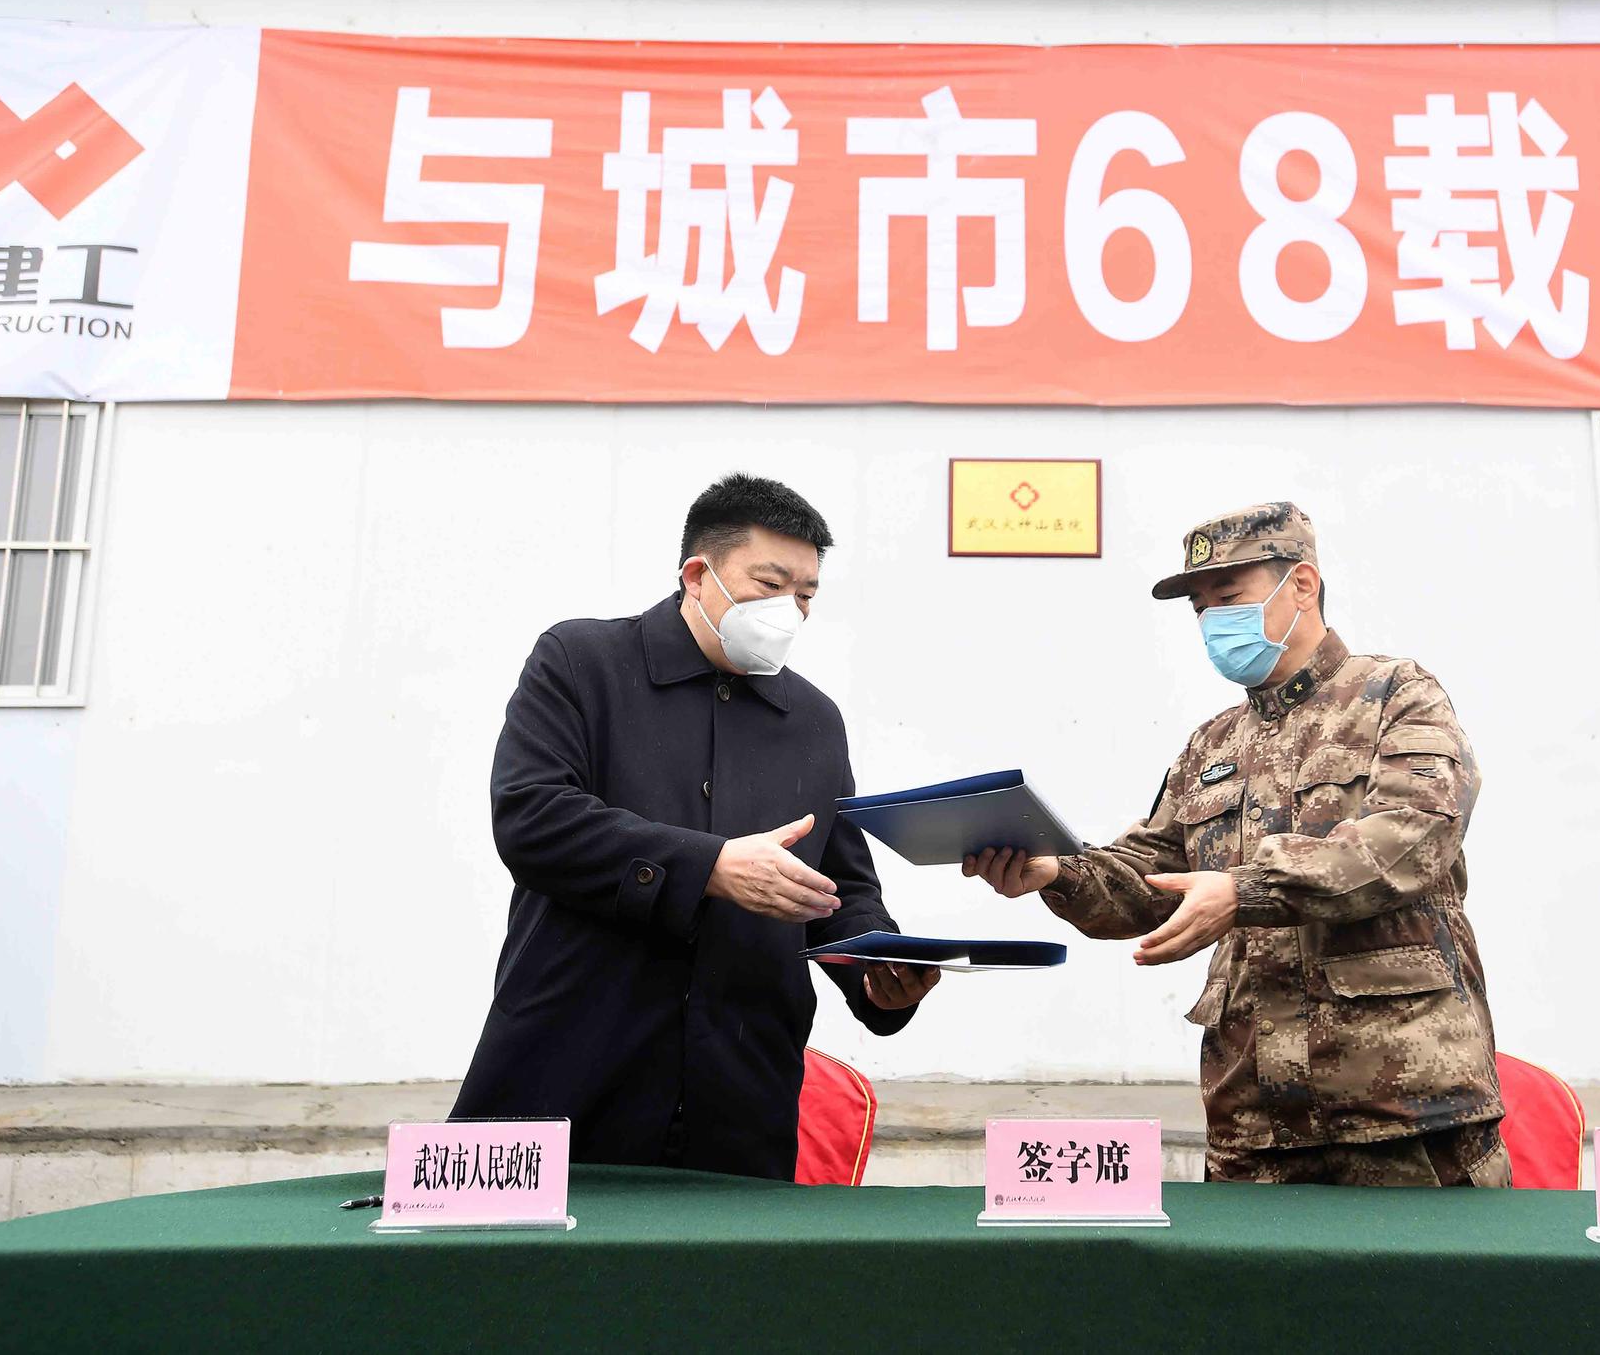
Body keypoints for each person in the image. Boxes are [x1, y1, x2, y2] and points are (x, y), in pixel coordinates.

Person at [965, 502, 1507, 1187]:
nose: (1213, 620)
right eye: (1200, 606)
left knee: (1424, 1295)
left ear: (1302, 585)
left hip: (1402, 1112)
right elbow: (1148, 875)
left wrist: (1245, 888)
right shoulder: (1213, 745)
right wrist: (1055, 872)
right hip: (1256, 1124)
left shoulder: (1396, 695)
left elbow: (1411, 837)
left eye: (1229, 596)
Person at [452, 473, 938, 1181]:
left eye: (806, 595)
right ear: (697, 574)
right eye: (770, 584)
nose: (790, 611)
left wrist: (878, 971)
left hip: (741, 1106)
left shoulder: (813, 721)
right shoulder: (582, 664)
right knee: (525, 1289)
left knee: (726, 1292)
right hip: (566, 1078)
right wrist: (708, 866)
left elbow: (838, 888)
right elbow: (532, 817)